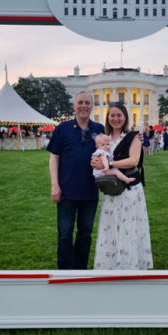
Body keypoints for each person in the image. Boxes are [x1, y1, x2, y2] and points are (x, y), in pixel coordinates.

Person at [47, 91, 105, 270]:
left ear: (92, 106)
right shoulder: (63, 128)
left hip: (90, 192)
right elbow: (54, 157)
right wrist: (55, 185)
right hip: (66, 191)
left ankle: (80, 270)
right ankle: (65, 271)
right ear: (74, 106)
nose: (84, 106)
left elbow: (116, 140)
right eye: (80, 102)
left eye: (87, 103)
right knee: (65, 234)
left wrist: (137, 137)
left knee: (85, 234)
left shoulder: (99, 129)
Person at [93, 103, 153, 270]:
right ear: (108, 118)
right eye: (112, 115)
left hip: (129, 188)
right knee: (111, 226)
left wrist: (109, 164)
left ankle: (130, 264)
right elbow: (97, 158)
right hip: (111, 189)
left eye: (119, 115)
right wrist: (95, 162)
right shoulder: (104, 139)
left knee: (129, 226)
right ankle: (110, 264)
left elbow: (133, 161)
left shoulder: (134, 136)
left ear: (125, 117)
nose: (115, 118)